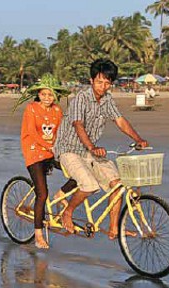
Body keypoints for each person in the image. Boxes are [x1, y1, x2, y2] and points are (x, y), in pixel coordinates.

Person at [53, 58, 148, 240]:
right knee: (89, 186)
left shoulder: (107, 99)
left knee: (118, 184)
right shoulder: (81, 98)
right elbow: (78, 125)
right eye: (99, 82)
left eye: (107, 83)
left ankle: (114, 229)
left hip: (90, 152)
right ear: (91, 81)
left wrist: (138, 139)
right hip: (69, 150)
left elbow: (119, 120)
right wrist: (92, 147)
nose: (102, 86)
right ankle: (68, 212)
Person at [14, 74, 77, 249]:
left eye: (50, 95)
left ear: (55, 96)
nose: (47, 98)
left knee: (78, 173)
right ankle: (38, 234)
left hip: (52, 151)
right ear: (38, 95)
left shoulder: (57, 110)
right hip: (34, 153)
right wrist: (49, 146)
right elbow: (32, 133)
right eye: (44, 94)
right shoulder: (31, 109)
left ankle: (61, 194)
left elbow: (61, 132)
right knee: (42, 194)